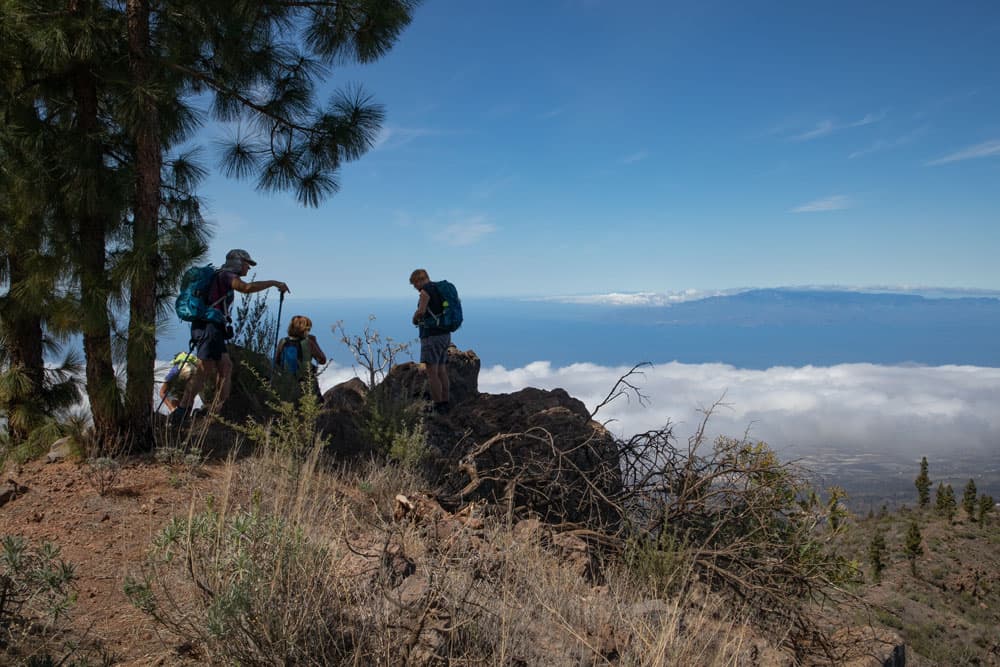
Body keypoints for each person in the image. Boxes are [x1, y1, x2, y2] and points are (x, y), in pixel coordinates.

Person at [172, 249, 290, 422]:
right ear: (237, 262)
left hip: (213, 328)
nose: (248, 268)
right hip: (209, 328)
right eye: (247, 264)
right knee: (204, 369)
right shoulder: (226, 276)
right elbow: (246, 288)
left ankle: (219, 409)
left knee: (226, 367)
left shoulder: (221, 276)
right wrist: (273, 283)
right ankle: (183, 410)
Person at [410, 268, 450, 413]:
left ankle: (438, 405)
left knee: (432, 372)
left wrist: (415, 318)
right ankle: (446, 402)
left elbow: (421, 311)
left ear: (420, 280)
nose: (415, 288)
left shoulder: (425, 291)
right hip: (445, 334)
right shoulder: (438, 289)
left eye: (415, 284)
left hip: (431, 336)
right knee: (442, 370)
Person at [274, 315, 327, 397]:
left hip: (286, 382)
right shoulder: (309, 342)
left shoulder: (283, 341)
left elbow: (276, 362)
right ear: (304, 329)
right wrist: (315, 342)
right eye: (308, 329)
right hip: (306, 384)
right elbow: (322, 360)